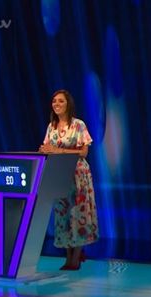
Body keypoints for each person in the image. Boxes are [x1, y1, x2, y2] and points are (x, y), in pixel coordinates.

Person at [39, 90, 99, 270]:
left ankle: (76, 256)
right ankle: (69, 256)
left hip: (78, 175)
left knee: (78, 214)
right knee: (63, 215)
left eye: (61, 101)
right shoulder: (52, 126)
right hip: (60, 174)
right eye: (54, 101)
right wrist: (45, 150)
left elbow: (83, 152)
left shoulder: (78, 125)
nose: (56, 104)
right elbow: (47, 147)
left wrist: (60, 151)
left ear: (68, 104)